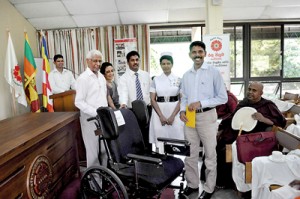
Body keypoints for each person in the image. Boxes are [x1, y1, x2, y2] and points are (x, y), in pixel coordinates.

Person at [216, 81, 287, 196]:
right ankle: (225, 181)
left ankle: (236, 183)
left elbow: (280, 122)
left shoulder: (268, 105)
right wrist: (221, 127)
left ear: (261, 93)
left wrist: (263, 118)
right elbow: (232, 117)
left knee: (227, 151)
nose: (250, 92)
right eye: (249, 89)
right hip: (238, 133)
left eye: (254, 90)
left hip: (255, 139)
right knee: (220, 146)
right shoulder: (244, 103)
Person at [179, 41, 228, 199]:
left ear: (205, 54)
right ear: (190, 55)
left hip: (207, 116)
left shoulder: (213, 72)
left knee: (209, 153)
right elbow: (184, 97)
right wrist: (181, 111)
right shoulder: (186, 75)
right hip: (190, 117)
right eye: (194, 52)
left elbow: (222, 97)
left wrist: (201, 103)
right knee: (190, 153)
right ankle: (192, 184)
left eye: (200, 51)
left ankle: (209, 187)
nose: (197, 55)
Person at [75, 49, 108, 168]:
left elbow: (103, 97)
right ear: (88, 61)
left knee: (104, 150)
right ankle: (95, 184)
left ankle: (104, 177)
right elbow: (78, 102)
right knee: (93, 152)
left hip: (102, 119)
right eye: (95, 61)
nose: (98, 64)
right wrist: (95, 113)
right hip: (90, 120)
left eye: (100, 61)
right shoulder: (83, 78)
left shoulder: (101, 77)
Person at [149, 53, 184, 153]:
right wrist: (161, 116)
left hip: (175, 111)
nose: (166, 66)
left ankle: (173, 161)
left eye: (168, 63)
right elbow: (152, 99)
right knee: (160, 137)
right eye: (163, 64)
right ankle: (160, 162)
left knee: (174, 137)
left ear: (172, 64)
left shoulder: (179, 79)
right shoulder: (156, 80)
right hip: (159, 111)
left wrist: (173, 116)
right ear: (160, 65)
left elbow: (182, 99)